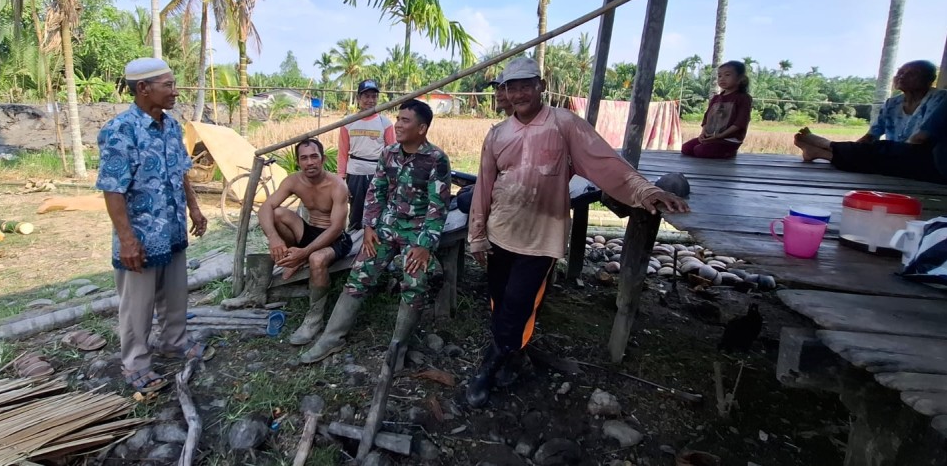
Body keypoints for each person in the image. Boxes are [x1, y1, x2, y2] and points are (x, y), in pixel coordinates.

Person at [465, 57, 690, 408]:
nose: (519, 93)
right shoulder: (497, 133)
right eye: (512, 87)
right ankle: (512, 356)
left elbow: (607, 164)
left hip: (541, 237)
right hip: (500, 231)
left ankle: (487, 370)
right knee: (499, 300)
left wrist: (645, 191)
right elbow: (484, 186)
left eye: (526, 84)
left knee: (518, 303)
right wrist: (477, 233)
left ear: (541, 85)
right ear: (505, 92)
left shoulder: (564, 124)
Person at [298, 99, 450, 365]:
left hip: (417, 232)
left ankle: (398, 348)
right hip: (386, 228)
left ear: (422, 128)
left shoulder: (436, 160)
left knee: (415, 281)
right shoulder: (389, 153)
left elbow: (438, 208)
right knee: (360, 273)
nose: (398, 124)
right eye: (398, 118)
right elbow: (376, 192)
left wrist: (425, 245)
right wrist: (369, 226)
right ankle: (331, 338)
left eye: (405, 120)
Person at [96, 57, 213, 394]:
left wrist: (194, 209)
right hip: (142, 236)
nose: (175, 92)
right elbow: (112, 188)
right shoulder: (120, 130)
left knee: (176, 294)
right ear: (143, 89)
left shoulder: (172, 126)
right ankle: (136, 362)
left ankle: (173, 342)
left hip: (172, 228)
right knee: (138, 304)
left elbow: (181, 171)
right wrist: (127, 239)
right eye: (168, 85)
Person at [257, 139, 353, 346]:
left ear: (323, 159)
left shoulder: (337, 185)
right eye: (304, 158)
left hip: (335, 238)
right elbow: (265, 206)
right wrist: (273, 237)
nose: (310, 162)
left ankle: (314, 318)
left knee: (317, 259)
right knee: (278, 213)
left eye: (314, 156)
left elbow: (336, 228)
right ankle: (294, 259)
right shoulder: (293, 181)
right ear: (298, 162)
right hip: (310, 231)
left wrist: (306, 252)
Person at [794, 60, 947, 174]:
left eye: (911, 73)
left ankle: (826, 144)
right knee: (873, 153)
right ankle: (818, 152)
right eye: (900, 72)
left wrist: (886, 154)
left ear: (929, 79)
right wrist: (854, 152)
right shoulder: (892, 103)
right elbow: (872, 135)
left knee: (880, 151)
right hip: (891, 157)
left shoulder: (940, 99)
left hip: (922, 159)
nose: (902, 76)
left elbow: (919, 140)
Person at [338, 80, 396, 230]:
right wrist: (341, 178)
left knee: (377, 209)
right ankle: (353, 241)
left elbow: (392, 153)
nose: (370, 101)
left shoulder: (385, 123)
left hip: (377, 173)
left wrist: (391, 177)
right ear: (358, 98)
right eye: (366, 97)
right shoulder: (348, 123)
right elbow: (343, 152)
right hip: (355, 173)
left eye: (374, 97)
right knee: (356, 211)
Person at [681, 60, 752, 159]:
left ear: (740, 79)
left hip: (729, 140)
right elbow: (707, 118)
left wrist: (720, 135)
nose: (722, 79)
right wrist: (703, 134)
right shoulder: (716, 98)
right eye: (719, 76)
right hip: (711, 137)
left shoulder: (743, 98)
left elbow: (740, 122)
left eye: (727, 75)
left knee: (699, 151)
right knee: (686, 148)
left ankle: (729, 152)